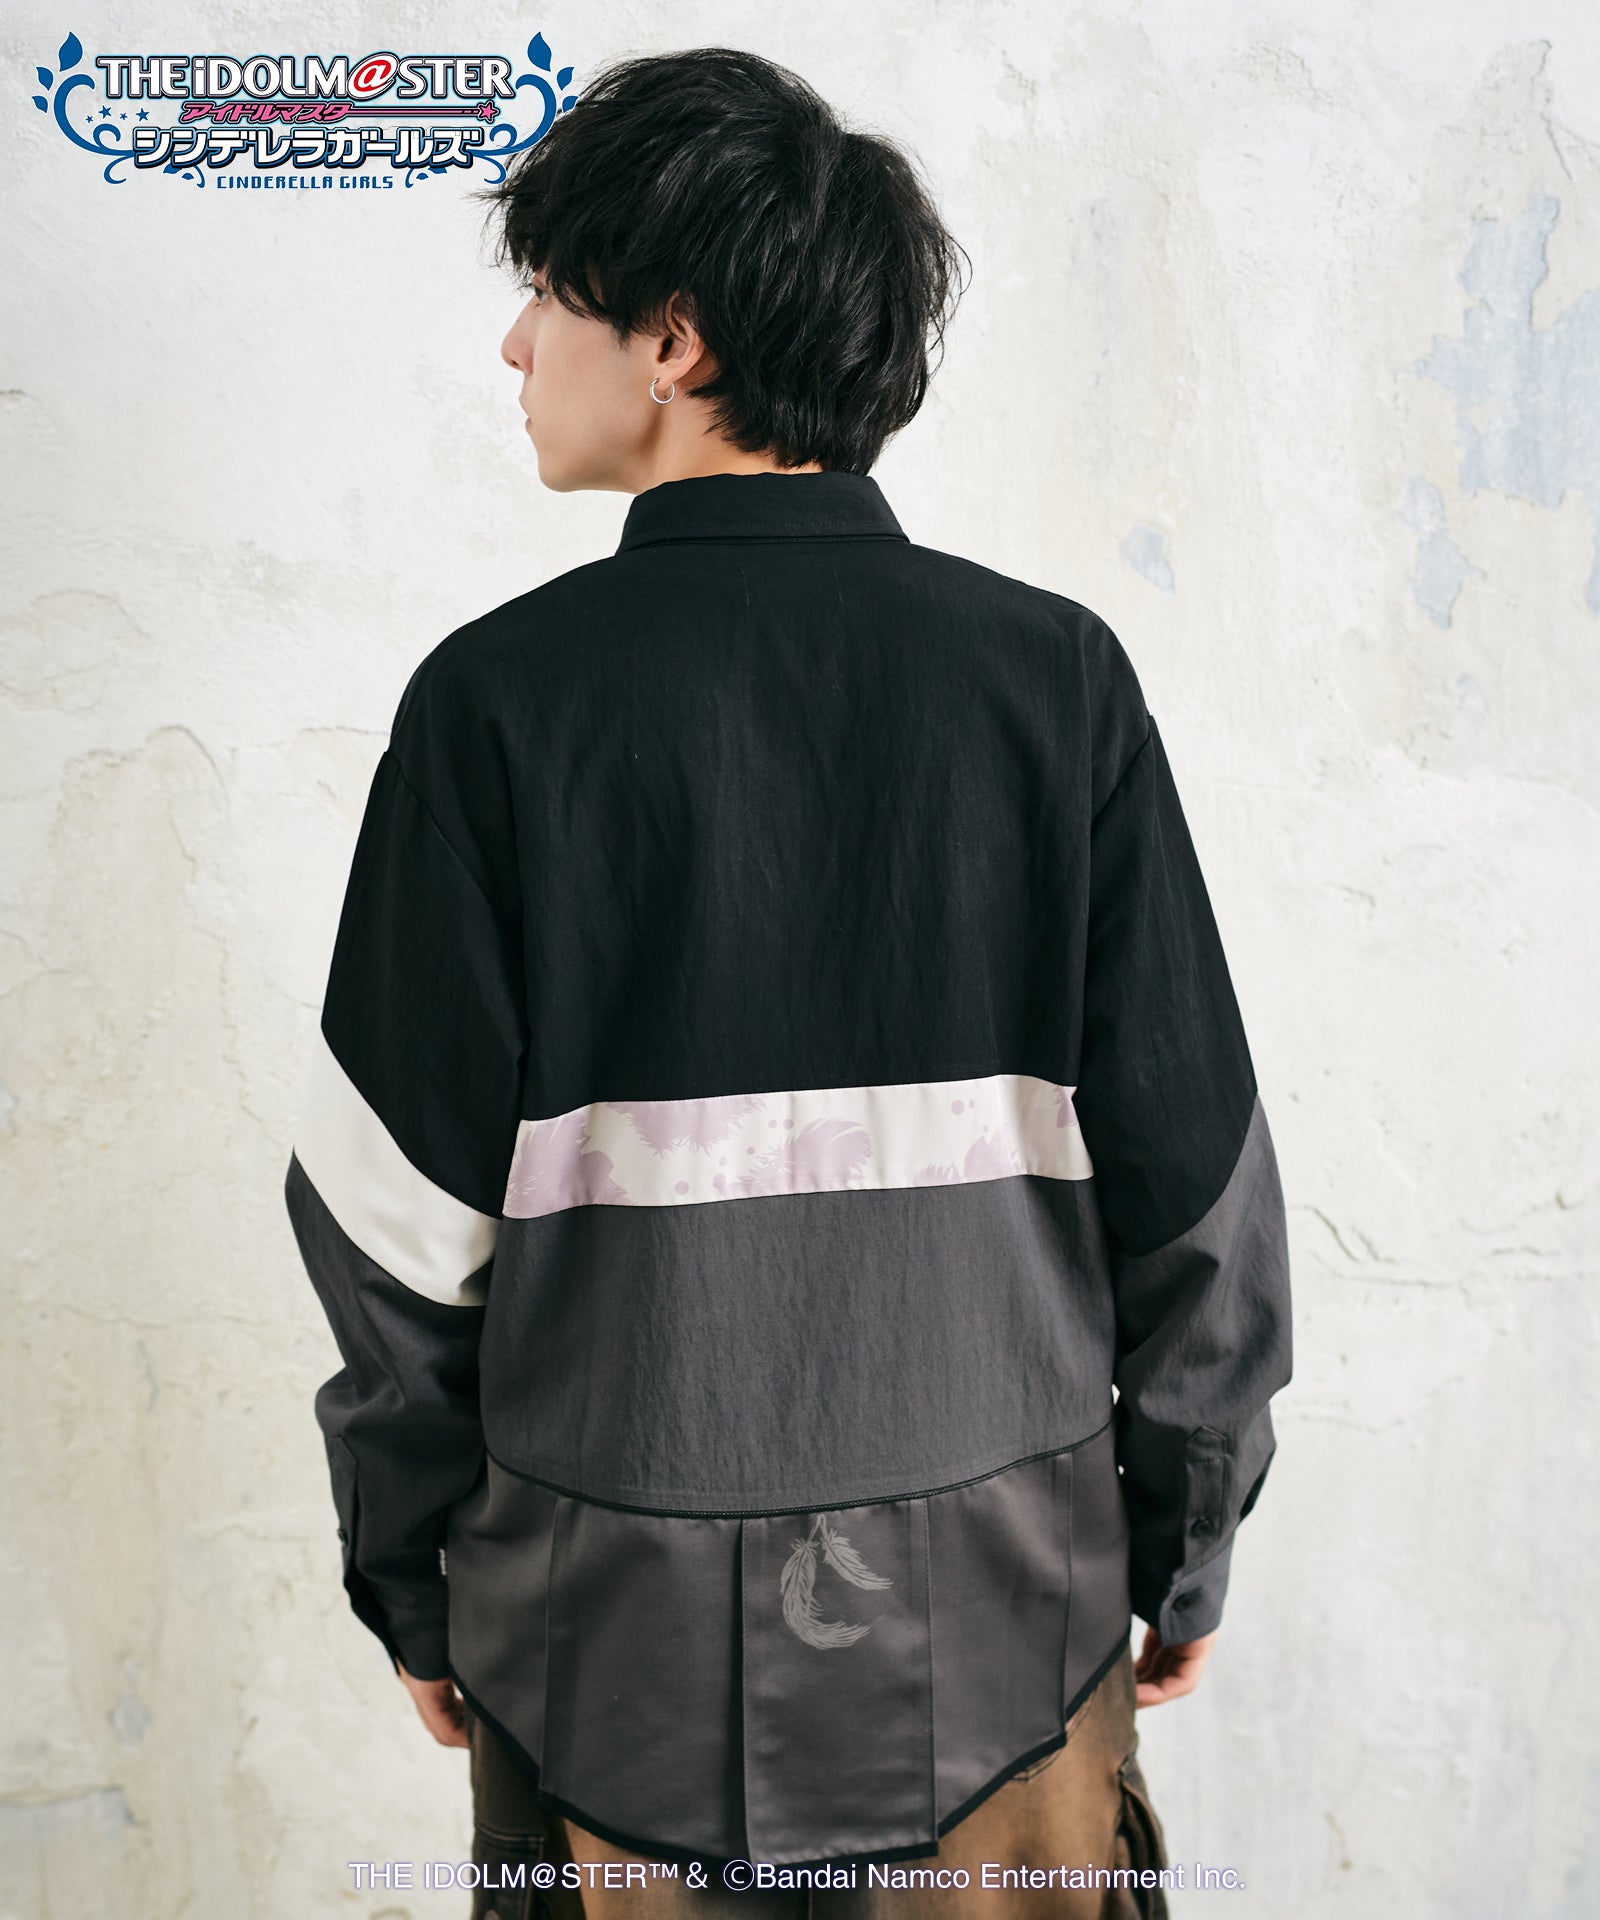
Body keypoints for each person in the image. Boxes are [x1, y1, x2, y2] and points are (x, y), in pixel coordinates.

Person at [283, 44, 1293, 1920]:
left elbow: (395, 1236)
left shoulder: (495, 709)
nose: (516, 344)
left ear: (672, 341)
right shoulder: (1054, 686)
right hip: (1007, 1638)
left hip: (598, 1661)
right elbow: (1198, 1192)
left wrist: (413, 1582)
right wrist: (1185, 1537)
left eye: (551, 293)